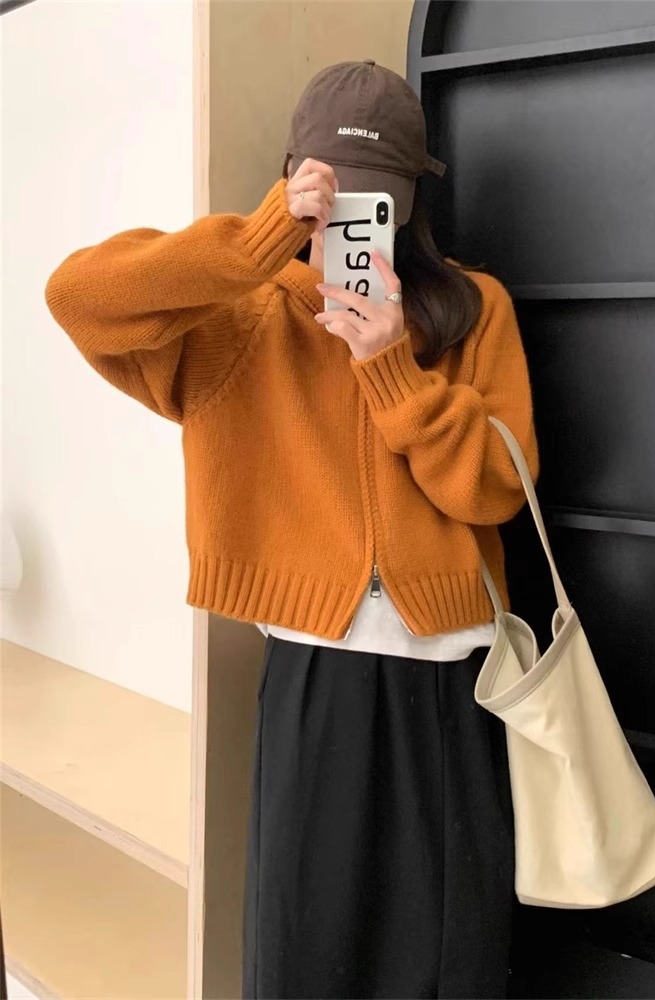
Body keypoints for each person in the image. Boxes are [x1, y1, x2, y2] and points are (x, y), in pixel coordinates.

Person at [46, 60, 539, 1000]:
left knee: (450, 958)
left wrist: (390, 366)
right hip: (317, 671)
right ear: (296, 179)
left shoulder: (472, 308)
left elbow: (493, 490)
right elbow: (79, 297)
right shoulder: (236, 314)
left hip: (455, 681)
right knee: (306, 952)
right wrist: (262, 237)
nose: (355, 226)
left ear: (411, 201)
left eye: (377, 202)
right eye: (335, 197)